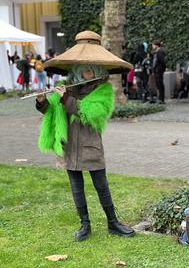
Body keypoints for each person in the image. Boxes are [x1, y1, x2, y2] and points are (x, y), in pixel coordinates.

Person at [35, 31, 135, 242]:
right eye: (84, 69)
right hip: (69, 146)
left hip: (91, 147)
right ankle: (85, 225)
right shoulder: (69, 89)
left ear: (98, 69)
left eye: (91, 69)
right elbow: (53, 112)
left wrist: (65, 99)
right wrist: (43, 101)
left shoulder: (104, 91)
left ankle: (113, 223)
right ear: (78, 70)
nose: (87, 72)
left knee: (102, 186)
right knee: (76, 188)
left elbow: (89, 114)